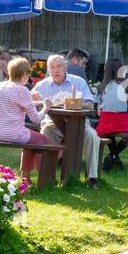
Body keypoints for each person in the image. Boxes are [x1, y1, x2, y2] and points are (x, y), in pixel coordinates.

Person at [34, 54, 101, 187]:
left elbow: (89, 104)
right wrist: (42, 102)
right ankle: (48, 177)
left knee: (92, 136)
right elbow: (30, 100)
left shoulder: (78, 82)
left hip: (78, 123)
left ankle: (92, 178)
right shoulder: (42, 85)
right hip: (52, 123)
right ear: (48, 70)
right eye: (52, 67)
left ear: (66, 67)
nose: (56, 70)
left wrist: (74, 104)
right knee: (46, 132)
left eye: (59, 66)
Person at [0, 57, 50, 184]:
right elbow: (36, 119)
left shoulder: (0, 86)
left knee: (30, 137)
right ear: (24, 74)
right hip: (14, 134)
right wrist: (45, 108)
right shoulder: (22, 90)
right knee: (41, 139)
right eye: (28, 74)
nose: (29, 77)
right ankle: (41, 179)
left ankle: (26, 177)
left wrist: (4, 105)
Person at [95, 57, 128, 170]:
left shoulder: (100, 86)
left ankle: (113, 155)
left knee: (107, 132)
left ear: (106, 70)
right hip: (122, 120)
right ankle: (114, 156)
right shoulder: (127, 85)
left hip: (106, 120)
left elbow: (99, 111)